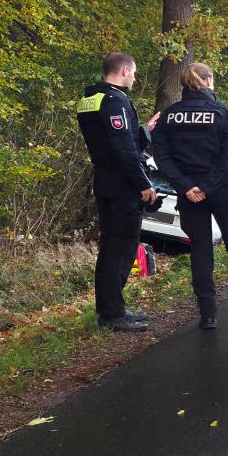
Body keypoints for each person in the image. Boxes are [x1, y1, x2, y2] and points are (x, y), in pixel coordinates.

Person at [153, 62, 228, 329]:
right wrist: (207, 186)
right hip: (223, 190)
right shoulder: (223, 114)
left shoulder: (170, 116)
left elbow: (162, 157)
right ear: (207, 81)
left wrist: (187, 186)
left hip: (189, 193)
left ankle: (208, 315)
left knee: (200, 249)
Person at [76, 51, 160, 331]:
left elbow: (115, 139)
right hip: (122, 183)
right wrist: (144, 184)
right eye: (134, 73)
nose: (135, 78)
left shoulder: (91, 98)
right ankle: (112, 314)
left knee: (110, 245)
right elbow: (124, 150)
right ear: (124, 70)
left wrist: (145, 129)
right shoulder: (115, 100)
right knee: (121, 247)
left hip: (104, 179)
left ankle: (112, 308)